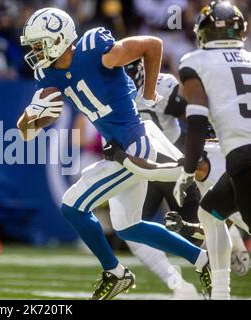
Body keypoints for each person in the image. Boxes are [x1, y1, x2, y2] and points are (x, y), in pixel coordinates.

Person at [16, 7, 210, 300]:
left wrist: (147, 96)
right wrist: (28, 119)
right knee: (129, 227)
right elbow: (31, 129)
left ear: (58, 39)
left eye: (38, 44)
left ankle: (115, 272)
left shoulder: (94, 49)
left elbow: (152, 45)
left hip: (134, 141)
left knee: (72, 205)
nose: (34, 52)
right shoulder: (48, 73)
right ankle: (202, 259)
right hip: (117, 145)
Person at [172, 1, 251, 300]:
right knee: (210, 212)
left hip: (244, 158)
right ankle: (220, 294)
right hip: (240, 162)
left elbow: (196, 122)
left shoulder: (197, 61)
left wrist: (188, 170)